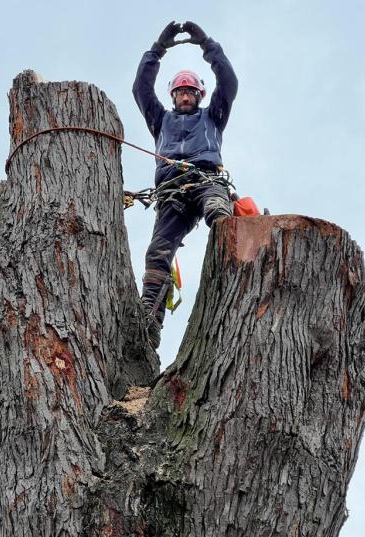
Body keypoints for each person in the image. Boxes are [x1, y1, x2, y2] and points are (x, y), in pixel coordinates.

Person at [132, 21, 238, 348]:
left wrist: (206, 43)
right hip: (171, 194)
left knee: (219, 213)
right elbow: (141, 88)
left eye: (191, 91)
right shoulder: (160, 120)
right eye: (180, 91)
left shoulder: (213, 116)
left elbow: (229, 82)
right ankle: (149, 321)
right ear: (173, 96)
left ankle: (237, 274)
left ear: (200, 95)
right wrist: (157, 49)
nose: (186, 96)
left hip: (206, 180)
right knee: (157, 252)